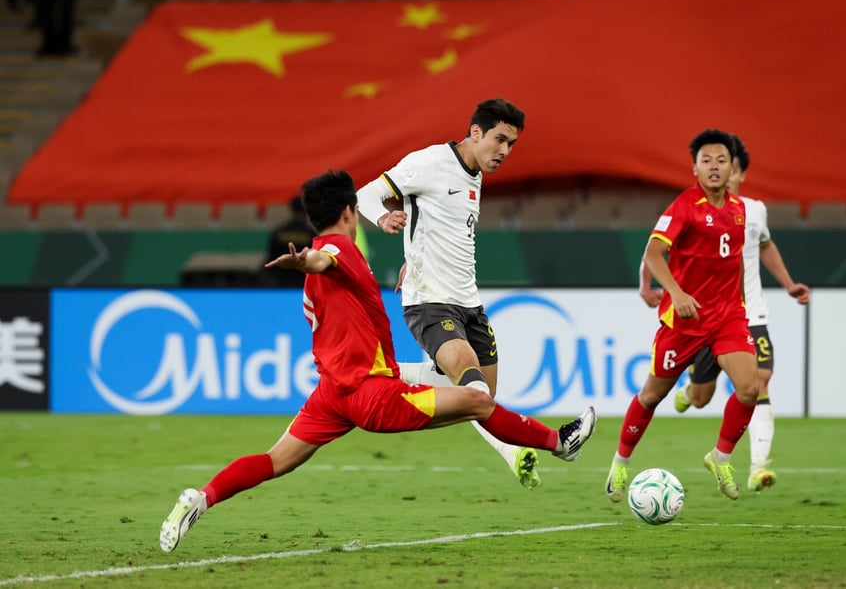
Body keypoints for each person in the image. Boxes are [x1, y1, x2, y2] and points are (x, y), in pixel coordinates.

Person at [158, 169, 596, 553]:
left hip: (332, 395)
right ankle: (559, 443)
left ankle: (202, 497)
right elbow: (323, 259)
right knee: (477, 400)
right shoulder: (339, 250)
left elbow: (330, 276)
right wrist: (306, 261)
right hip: (372, 394)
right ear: (350, 211)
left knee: (275, 460)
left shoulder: (328, 270)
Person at [355, 98, 543, 489]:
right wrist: (385, 217)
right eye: (499, 139)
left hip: (469, 303)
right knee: (472, 384)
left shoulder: (474, 175)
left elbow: (440, 229)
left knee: (481, 397)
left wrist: (415, 255)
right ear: (475, 132)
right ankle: (520, 452)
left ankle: (391, 373)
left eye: (512, 144)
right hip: (429, 300)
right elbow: (365, 195)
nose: (505, 151)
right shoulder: (429, 163)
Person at [604, 129, 759, 503]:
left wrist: (740, 305)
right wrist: (675, 292)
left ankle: (719, 458)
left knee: (751, 388)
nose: (714, 167)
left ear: (731, 167)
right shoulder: (684, 207)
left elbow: (734, 260)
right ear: (695, 168)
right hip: (684, 321)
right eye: (706, 161)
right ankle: (620, 464)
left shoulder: (739, 210)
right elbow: (654, 252)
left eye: (721, 161)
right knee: (651, 395)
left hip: (727, 318)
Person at [656, 134, 810, 492]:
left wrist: (788, 284)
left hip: (748, 314)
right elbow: (660, 248)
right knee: (700, 398)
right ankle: (688, 390)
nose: (726, 173)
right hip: (706, 317)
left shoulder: (754, 210)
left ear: (738, 173)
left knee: (760, 380)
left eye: (731, 167)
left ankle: (758, 466)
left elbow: (767, 246)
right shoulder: (694, 209)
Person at [264, 196, 316, 288]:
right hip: (304, 283)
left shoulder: (279, 232)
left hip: (281, 282)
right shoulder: (311, 233)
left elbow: (271, 258)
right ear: (306, 211)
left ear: (291, 209)